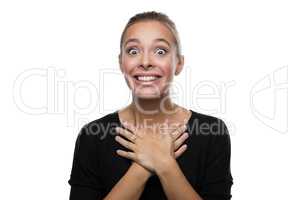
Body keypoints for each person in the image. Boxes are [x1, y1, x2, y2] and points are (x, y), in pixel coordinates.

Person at [68, 11, 233, 200]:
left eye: (160, 51)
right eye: (133, 51)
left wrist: (165, 164)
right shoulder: (93, 135)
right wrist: (142, 166)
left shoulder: (212, 132)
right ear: (121, 62)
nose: (145, 62)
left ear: (179, 63)